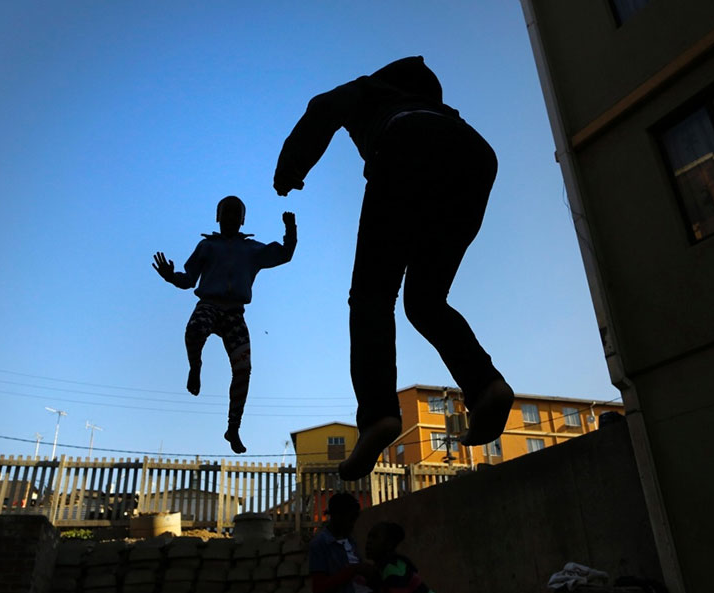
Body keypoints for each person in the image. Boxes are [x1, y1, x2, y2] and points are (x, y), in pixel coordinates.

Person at [274, 56, 513, 480]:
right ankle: (486, 385)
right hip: (474, 156)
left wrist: (291, 168)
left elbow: (322, 106)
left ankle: (379, 415)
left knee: (372, 295)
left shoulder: (371, 89)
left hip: (407, 145)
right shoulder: (440, 109)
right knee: (425, 300)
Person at [153, 196, 296, 453]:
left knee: (243, 369)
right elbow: (188, 280)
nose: (230, 221)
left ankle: (233, 428)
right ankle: (195, 366)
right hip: (208, 304)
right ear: (218, 219)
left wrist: (290, 231)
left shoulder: (251, 249)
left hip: (234, 313)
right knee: (195, 330)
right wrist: (170, 277)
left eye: (234, 216)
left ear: (241, 221)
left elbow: (284, 255)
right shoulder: (207, 246)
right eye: (226, 216)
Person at [309, 492, 378, 593]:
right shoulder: (320, 544)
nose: (352, 525)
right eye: (350, 520)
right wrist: (354, 570)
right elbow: (319, 587)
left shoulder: (351, 541)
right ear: (337, 517)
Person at [364, 521, 432, 593]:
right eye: (369, 537)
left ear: (389, 544)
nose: (369, 541)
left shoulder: (391, 567)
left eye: (374, 537)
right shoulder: (384, 567)